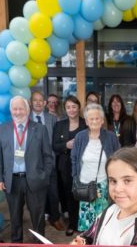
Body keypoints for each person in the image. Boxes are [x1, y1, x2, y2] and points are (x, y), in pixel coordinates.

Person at [0, 95, 55, 247]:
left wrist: (45, 175)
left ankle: (40, 242)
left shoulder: (39, 128)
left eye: (21, 108)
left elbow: (48, 155)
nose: (18, 112)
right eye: (15, 108)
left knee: (37, 213)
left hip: (34, 179)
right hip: (12, 179)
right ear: (11, 110)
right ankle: (16, 241)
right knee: (14, 212)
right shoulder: (2, 129)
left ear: (27, 110)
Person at [71, 103, 120, 232]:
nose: (94, 121)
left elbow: (118, 158)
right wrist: (75, 178)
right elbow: (74, 158)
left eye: (97, 118)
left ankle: (100, 246)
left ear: (102, 120)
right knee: (87, 220)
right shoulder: (80, 137)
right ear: (86, 121)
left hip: (104, 185)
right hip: (85, 186)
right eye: (91, 119)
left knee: (102, 220)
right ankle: (88, 246)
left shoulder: (111, 137)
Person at [30, 91, 65, 231]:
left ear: (45, 103)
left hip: (50, 161)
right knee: (35, 194)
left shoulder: (51, 118)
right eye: (35, 100)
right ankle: (39, 220)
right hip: (32, 163)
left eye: (41, 100)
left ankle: (55, 218)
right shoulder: (26, 118)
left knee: (53, 192)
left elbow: (56, 139)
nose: (38, 102)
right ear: (31, 103)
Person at [53, 96, 87, 236]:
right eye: (68, 107)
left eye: (74, 106)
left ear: (78, 107)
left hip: (84, 164)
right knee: (70, 194)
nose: (71, 110)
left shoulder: (86, 124)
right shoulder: (59, 125)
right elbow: (54, 145)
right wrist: (66, 145)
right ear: (65, 109)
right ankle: (72, 224)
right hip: (65, 165)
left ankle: (84, 224)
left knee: (84, 193)